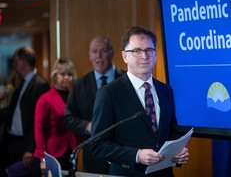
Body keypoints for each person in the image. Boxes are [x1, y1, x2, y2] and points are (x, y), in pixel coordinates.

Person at [90, 26, 189, 177]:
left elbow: (172, 133)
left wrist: (177, 153)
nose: (144, 56)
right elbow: (98, 145)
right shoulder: (108, 93)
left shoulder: (166, 91)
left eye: (149, 50)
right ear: (124, 56)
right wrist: (136, 155)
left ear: (155, 54)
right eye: (136, 51)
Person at [63, 35, 125, 173]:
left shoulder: (127, 80)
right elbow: (68, 118)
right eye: (94, 51)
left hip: (124, 156)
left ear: (112, 53)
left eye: (103, 50)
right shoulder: (79, 85)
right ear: (89, 55)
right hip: (93, 158)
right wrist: (87, 126)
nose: (98, 56)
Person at [0, 47, 50, 176]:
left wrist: (30, 148)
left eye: (15, 61)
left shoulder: (40, 85)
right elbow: (13, 111)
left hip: (25, 145)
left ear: (23, 62)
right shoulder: (22, 82)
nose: (13, 64)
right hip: (11, 142)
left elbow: (39, 120)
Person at [33, 57, 77, 174]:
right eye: (62, 74)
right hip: (52, 152)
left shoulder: (74, 97)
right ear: (54, 76)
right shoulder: (45, 99)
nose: (66, 77)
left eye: (69, 74)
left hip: (72, 150)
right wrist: (42, 157)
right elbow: (38, 129)